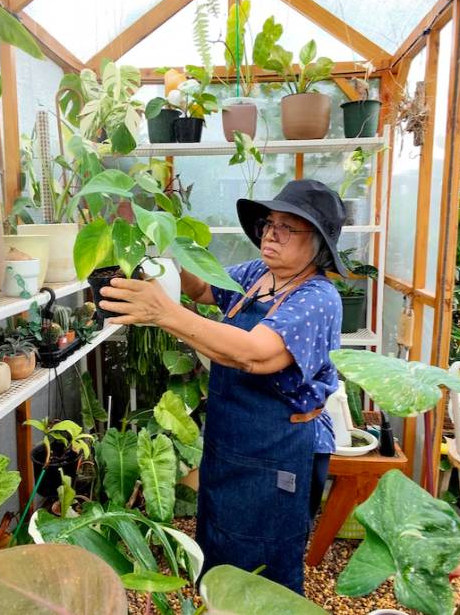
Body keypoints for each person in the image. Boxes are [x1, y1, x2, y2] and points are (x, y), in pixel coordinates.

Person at [99, 179, 346, 594]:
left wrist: (165, 313)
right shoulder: (256, 276)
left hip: (277, 451)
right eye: (270, 223)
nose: (271, 233)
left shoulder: (317, 297)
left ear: (319, 244)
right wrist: (159, 242)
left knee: (263, 569)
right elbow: (200, 287)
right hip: (230, 443)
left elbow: (254, 353)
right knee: (219, 549)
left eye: (289, 227)